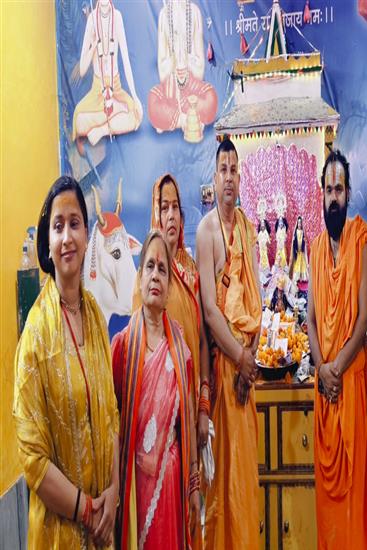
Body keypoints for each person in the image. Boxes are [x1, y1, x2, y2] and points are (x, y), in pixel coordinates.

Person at [13, 176, 119, 548]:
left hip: (103, 530)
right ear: (47, 242)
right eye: (58, 227)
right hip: (60, 534)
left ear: (87, 234)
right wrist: (88, 511)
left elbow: (111, 415)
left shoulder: (95, 317)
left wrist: (113, 493)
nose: (67, 237)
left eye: (75, 223)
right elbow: (33, 458)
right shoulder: (35, 335)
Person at [113, 230, 200, 550]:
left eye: (163, 269)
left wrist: (193, 485)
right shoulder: (122, 347)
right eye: (149, 266)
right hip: (133, 487)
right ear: (139, 279)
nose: (155, 275)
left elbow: (187, 422)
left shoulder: (180, 350)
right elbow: (112, 426)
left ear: (169, 286)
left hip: (170, 484)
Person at [196, 138, 262, 550]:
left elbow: (254, 301)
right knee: (222, 482)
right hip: (223, 369)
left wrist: (250, 358)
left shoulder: (248, 229)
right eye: (223, 169)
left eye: (234, 169)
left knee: (245, 482)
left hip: (244, 377)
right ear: (214, 175)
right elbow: (209, 309)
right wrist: (239, 357)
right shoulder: (206, 231)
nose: (229, 177)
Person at [308, 150, 367, 549]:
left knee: (353, 500)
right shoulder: (315, 249)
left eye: (339, 189)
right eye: (328, 190)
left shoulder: (360, 239)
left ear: (348, 193)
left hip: (350, 386)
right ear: (322, 194)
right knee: (328, 509)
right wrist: (322, 369)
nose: (334, 197)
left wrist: (336, 369)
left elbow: (364, 318)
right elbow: (312, 319)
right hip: (326, 392)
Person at [73, 0, 143, 151]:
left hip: (115, 88)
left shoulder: (117, 17)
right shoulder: (92, 20)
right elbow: (83, 69)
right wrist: (93, 46)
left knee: (136, 116)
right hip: (97, 90)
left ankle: (100, 130)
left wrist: (135, 96)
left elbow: (126, 59)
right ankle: (114, 117)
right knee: (78, 119)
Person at [148, 0, 218, 137]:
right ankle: (187, 119)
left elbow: (200, 69)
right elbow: (162, 72)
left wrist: (186, 59)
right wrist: (173, 60)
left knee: (211, 98)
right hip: (171, 88)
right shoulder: (164, 14)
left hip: (192, 86)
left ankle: (175, 119)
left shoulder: (194, 12)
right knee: (153, 102)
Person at [290, 216, 308, 282]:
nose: (299, 224)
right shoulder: (296, 232)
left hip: (301, 251)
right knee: (297, 264)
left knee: (302, 264)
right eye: (298, 223)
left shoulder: (303, 232)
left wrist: (304, 243)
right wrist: (295, 248)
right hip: (297, 251)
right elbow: (294, 241)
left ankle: (302, 276)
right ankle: (297, 276)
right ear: (297, 224)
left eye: (300, 223)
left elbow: (304, 240)